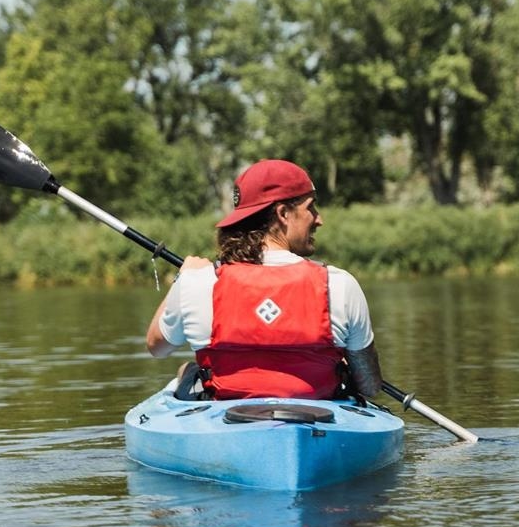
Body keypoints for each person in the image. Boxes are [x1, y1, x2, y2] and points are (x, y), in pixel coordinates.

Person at [145, 159, 383, 400]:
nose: (318, 219)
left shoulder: (197, 283)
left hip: (226, 419)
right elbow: (370, 386)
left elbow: (157, 346)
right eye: (311, 207)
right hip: (317, 422)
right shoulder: (340, 285)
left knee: (187, 370)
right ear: (283, 214)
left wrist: (182, 277)